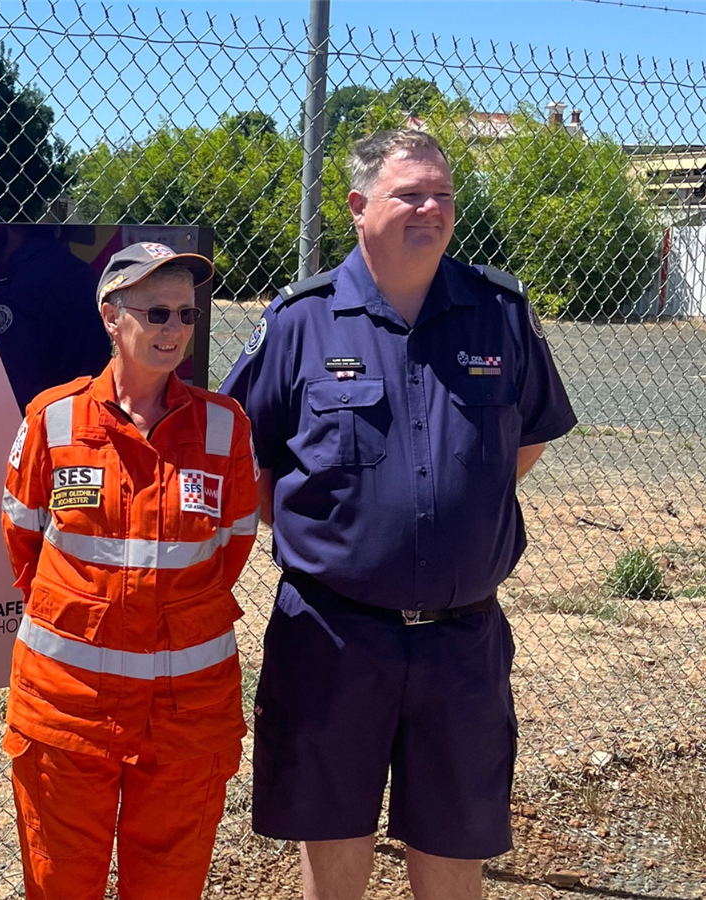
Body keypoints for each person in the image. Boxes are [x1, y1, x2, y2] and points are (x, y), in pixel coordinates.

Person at [220, 129, 576, 900]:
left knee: (455, 842)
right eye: (409, 193)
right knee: (334, 836)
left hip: (462, 640)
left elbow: (533, 433)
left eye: (442, 195)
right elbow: (246, 456)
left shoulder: (499, 312)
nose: (431, 208)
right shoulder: (301, 320)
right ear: (357, 206)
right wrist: (335, 536)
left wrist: (456, 506)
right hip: (334, 636)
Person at [0, 242, 259, 899]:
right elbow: (23, 541)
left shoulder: (225, 429)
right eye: (157, 313)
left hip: (186, 717)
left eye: (186, 315)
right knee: (61, 884)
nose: (174, 330)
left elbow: (229, 551)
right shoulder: (53, 419)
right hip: (68, 711)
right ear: (112, 317)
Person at [0, 223, 112, 409]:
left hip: (43, 422)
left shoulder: (15, 288)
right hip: (94, 408)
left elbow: (9, 387)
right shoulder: (83, 271)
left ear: (4, 228)